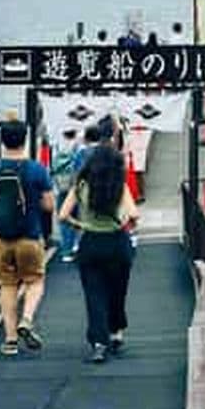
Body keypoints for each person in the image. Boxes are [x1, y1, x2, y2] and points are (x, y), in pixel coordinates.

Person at [0, 119, 55, 356]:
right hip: (29, 236)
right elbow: (49, 205)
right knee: (35, 281)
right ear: (25, 140)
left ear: (2, 140)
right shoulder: (36, 169)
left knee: (6, 286)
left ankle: (9, 341)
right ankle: (26, 319)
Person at [58, 145, 139, 362]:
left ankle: (99, 343)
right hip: (117, 244)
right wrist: (124, 224)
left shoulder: (81, 186)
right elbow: (133, 214)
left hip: (91, 244)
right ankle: (116, 331)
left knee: (94, 294)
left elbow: (63, 215)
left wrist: (81, 224)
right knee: (117, 291)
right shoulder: (119, 186)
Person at [51, 128, 80, 262]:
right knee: (77, 215)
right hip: (75, 187)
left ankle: (66, 251)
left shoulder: (56, 145)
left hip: (61, 186)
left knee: (63, 218)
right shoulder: (79, 145)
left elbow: (51, 169)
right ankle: (76, 243)